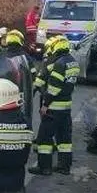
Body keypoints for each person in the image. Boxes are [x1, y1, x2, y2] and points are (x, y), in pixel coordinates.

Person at [29, 36, 80, 175]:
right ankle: (64, 167)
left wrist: (45, 105)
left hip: (53, 108)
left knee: (44, 138)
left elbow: (53, 88)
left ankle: (44, 167)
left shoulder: (59, 63)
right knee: (64, 139)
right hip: (66, 107)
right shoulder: (72, 62)